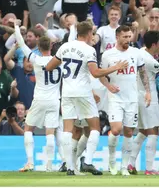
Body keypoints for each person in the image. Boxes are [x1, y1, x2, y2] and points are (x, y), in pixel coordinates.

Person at [45, 21, 128, 175]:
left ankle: (70, 167)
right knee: (95, 127)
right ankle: (88, 161)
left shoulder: (64, 47)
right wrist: (115, 67)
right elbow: (95, 73)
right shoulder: (89, 50)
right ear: (89, 33)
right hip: (83, 92)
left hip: (67, 92)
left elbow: (49, 67)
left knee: (68, 130)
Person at [100, 25, 151, 176]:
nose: (128, 40)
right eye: (125, 37)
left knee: (129, 131)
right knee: (115, 129)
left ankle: (124, 166)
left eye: (130, 37)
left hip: (132, 99)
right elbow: (100, 74)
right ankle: (111, 160)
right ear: (117, 37)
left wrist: (147, 91)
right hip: (116, 98)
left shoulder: (136, 53)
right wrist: (108, 86)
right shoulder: (108, 55)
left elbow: (142, 72)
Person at [12, 22, 62, 173]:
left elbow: (21, 43)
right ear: (51, 47)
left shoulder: (36, 59)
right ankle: (49, 165)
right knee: (50, 132)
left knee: (28, 129)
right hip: (54, 101)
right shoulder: (60, 61)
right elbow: (65, 41)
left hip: (39, 99)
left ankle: (30, 162)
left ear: (38, 47)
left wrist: (16, 26)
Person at [128, 31, 159, 175]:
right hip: (149, 97)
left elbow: (156, 50)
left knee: (142, 131)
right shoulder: (150, 61)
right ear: (154, 44)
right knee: (153, 131)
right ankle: (149, 168)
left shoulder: (140, 52)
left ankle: (130, 164)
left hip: (138, 95)